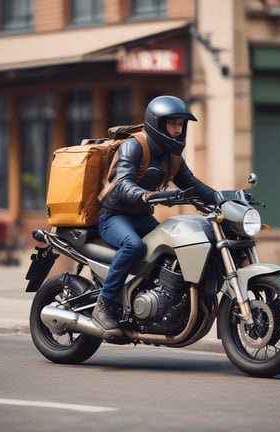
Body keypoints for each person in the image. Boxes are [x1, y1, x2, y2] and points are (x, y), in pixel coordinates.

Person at [92, 95, 217, 336]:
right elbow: (122, 183)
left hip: (141, 218)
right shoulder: (134, 145)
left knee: (170, 248)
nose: (178, 130)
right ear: (157, 124)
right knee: (133, 246)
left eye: (181, 125)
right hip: (114, 216)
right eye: (173, 124)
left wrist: (224, 198)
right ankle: (104, 303)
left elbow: (194, 185)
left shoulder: (173, 157)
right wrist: (144, 195)